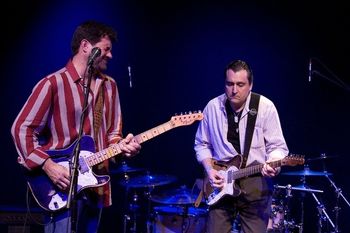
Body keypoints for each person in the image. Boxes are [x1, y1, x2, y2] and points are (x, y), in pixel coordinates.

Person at [11, 20, 141, 233]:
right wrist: (47, 165)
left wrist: (123, 147)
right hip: (60, 186)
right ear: (85, 46)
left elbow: (113, 134)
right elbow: (21, 129)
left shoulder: (110, 86)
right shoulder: (53, 84)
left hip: (96, 186)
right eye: (106, 49)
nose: (110, 56)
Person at [194, 59, 289, 233]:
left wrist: (273, 163)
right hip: (221, 184)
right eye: (229, 84)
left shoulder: (265, 107)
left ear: (250, 85)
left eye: (240, 84)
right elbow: (202, 144)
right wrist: (209, 170)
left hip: (255, 184)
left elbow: (278, 147)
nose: (234, 90)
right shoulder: (212, 107)